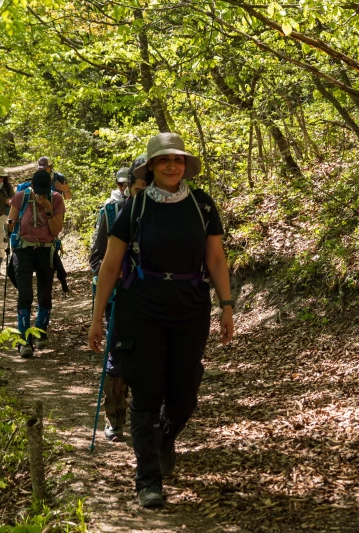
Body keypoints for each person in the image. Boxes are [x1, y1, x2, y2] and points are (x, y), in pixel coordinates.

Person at [88, 132, 234, 509]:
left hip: (190, 308)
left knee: (184, 395)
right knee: (147, 395)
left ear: (185, 166)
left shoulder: (201, 205)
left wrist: (227, 305)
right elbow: (110, 265)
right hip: (141, 309)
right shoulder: (134, 209)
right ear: (150, 167)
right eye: (165, 160)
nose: (173, 166)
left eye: (179, 160)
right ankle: (147, 480)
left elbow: (216, 260)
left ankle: (165, 437)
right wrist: (96, 319)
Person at [89, 160, 147, 441]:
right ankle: (115, 419)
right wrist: (114, 275)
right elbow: (97, 257)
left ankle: (147, 420)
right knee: (117, 360)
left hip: (154, 301)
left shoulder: (164, 212)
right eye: (135, 186)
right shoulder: (112, 213)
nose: (137, 190)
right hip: (119, 299)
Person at [8, 170, 65, 358]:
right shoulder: (20, 197)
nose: (40, 194)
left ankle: (40, 331)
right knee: (25, 295)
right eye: (37, 191)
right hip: (23, 249)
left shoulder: (56, 199)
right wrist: (8, 226)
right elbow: (12, 221)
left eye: (43, 191)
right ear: (32, 187)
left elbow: (56, 230)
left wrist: (48, 209)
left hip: (46, 250)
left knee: (45, 295)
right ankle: (24, 339)